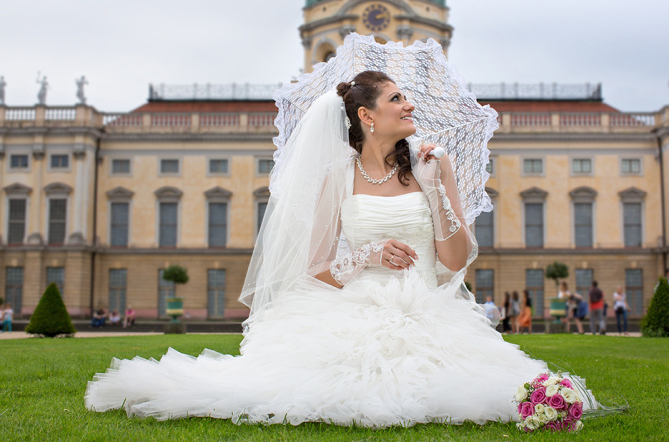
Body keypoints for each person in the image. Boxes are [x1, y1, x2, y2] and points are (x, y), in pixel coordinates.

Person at [85, 71, 596, 426]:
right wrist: (368, 258)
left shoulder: (433, 165)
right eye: (397, 98)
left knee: (474, 390)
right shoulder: (337, 177)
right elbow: (315, 269)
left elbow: (457, 260)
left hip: (429, 306)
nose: (409, 105)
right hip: (358, 304)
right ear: (367, 116)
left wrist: (435, 185)